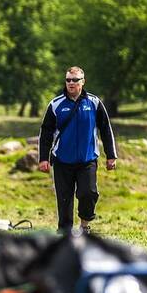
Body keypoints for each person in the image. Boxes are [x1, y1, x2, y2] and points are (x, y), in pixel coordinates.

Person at [38, 66, 118, 234]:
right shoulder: (55, 104)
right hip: (62, 161)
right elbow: (46, 132)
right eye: (68, 80)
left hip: (87, 160)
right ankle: (65, 234)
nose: (71, 83)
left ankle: (84, 226)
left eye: (75, 80)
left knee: (88, 193)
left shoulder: (94, 102)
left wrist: (111, 155)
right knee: (64, 199)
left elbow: (105, 128)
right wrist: (43, 158)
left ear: (83, 81)